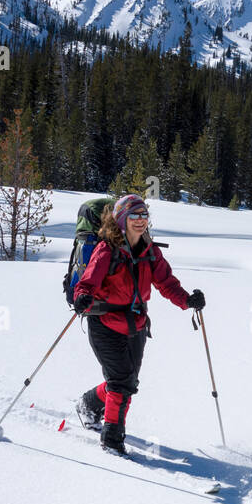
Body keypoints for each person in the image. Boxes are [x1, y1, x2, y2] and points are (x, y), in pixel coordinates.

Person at [73, 194, 205, 455]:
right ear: (122, 219)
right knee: (121, 380)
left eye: (145, 215)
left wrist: (188, 300)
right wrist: (81, 296)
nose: (141, 221)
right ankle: (112, 439)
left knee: (127, 380)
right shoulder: (106, 249)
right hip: (104, 322)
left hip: (136, 324)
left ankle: (88, 405)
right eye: (135, 215)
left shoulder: (150, 251)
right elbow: (87, 282)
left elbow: (166, 283)